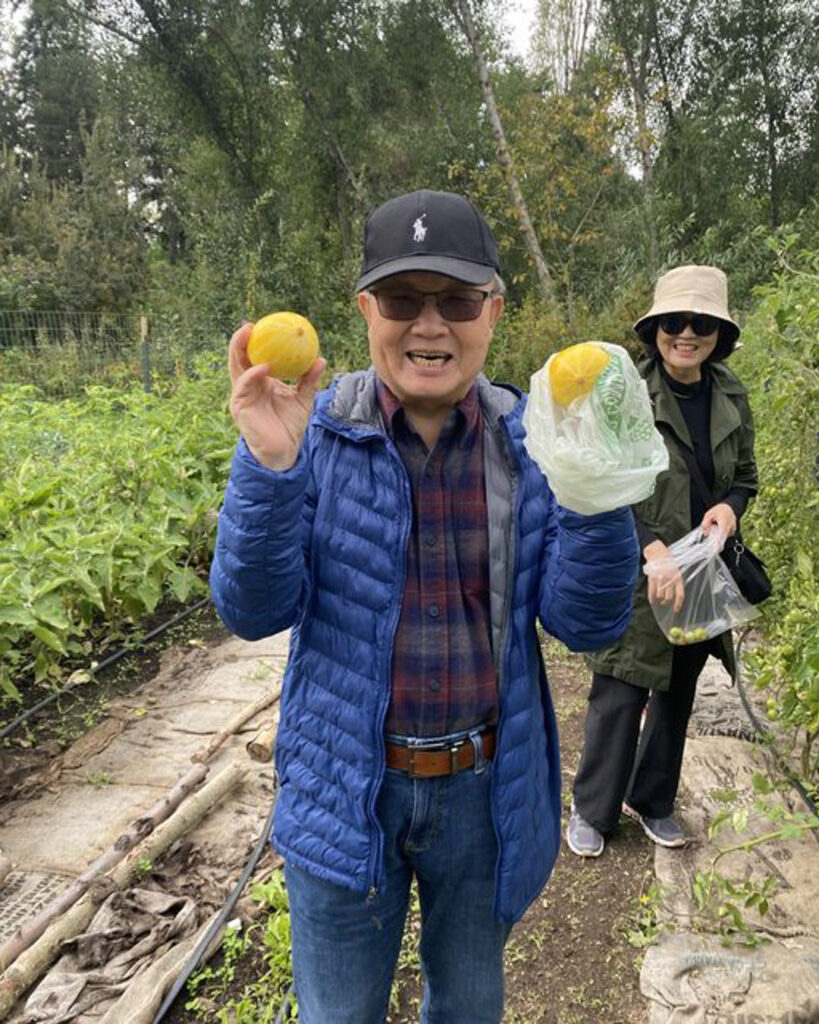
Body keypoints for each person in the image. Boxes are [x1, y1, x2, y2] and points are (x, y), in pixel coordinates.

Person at [209, 188, 640, 1023]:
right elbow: (251, 611)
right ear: (366, 309)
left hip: (485, 794)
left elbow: (586, 624)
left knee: (470, 1007)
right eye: (404, 299)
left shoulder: (533, 441)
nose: (430, 325)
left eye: (458, 299)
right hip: (344, 790)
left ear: (494, 309)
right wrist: (268, 463)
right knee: (339, 1014)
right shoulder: (315, 435)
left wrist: (596, 486)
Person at [567, 264, 759, 858]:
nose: (686, 332)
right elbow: (601, 479)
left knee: (678, 689)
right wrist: (649, 544)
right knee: (621, 687)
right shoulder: (623, 392)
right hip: (639, 569)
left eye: (700, 322)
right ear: (654, 330)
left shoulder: (730, 394)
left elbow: (745, 478)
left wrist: (728, 511)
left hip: (702, 571)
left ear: (717, 334)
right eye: (674, 321)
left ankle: (652, 800)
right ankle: (593, 809)